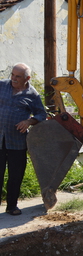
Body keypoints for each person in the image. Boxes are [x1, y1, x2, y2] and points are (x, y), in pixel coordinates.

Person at [0, 63, 47, 215]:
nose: (13, 78)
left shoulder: (32, 95)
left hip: (17, 142)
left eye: (17, 76)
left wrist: (29, 121)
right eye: (12, 75)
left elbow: (42, 114)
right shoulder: (2, 86)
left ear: (27, 78)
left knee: (15, 175)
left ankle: (12, 206)